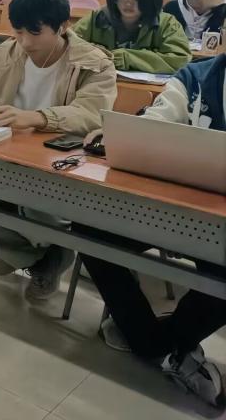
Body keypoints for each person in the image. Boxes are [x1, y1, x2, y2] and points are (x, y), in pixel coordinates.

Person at [0, 0, 116, 301]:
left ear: (62, 26)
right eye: (18, 32)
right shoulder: (0, 54)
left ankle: (23, 249)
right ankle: (37, 256)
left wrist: (37, 118)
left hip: (59, 171)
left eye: (35, 32)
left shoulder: (94, 64)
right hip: (0, 160)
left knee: (36, 206)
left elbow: (91, 115)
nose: (26, 42)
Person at [79, 55, 226, 408]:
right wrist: (123, 135)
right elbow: (157, 122)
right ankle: (150, 340)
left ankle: (166, 340)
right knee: (90, 230)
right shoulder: (197, 77)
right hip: (171, 207)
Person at [73, 0, 191, 73]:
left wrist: (128, 57)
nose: (128, 3)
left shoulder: (166, 24)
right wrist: (97, 52)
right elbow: (69, 44)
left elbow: (181, 59)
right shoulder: (98, 18)